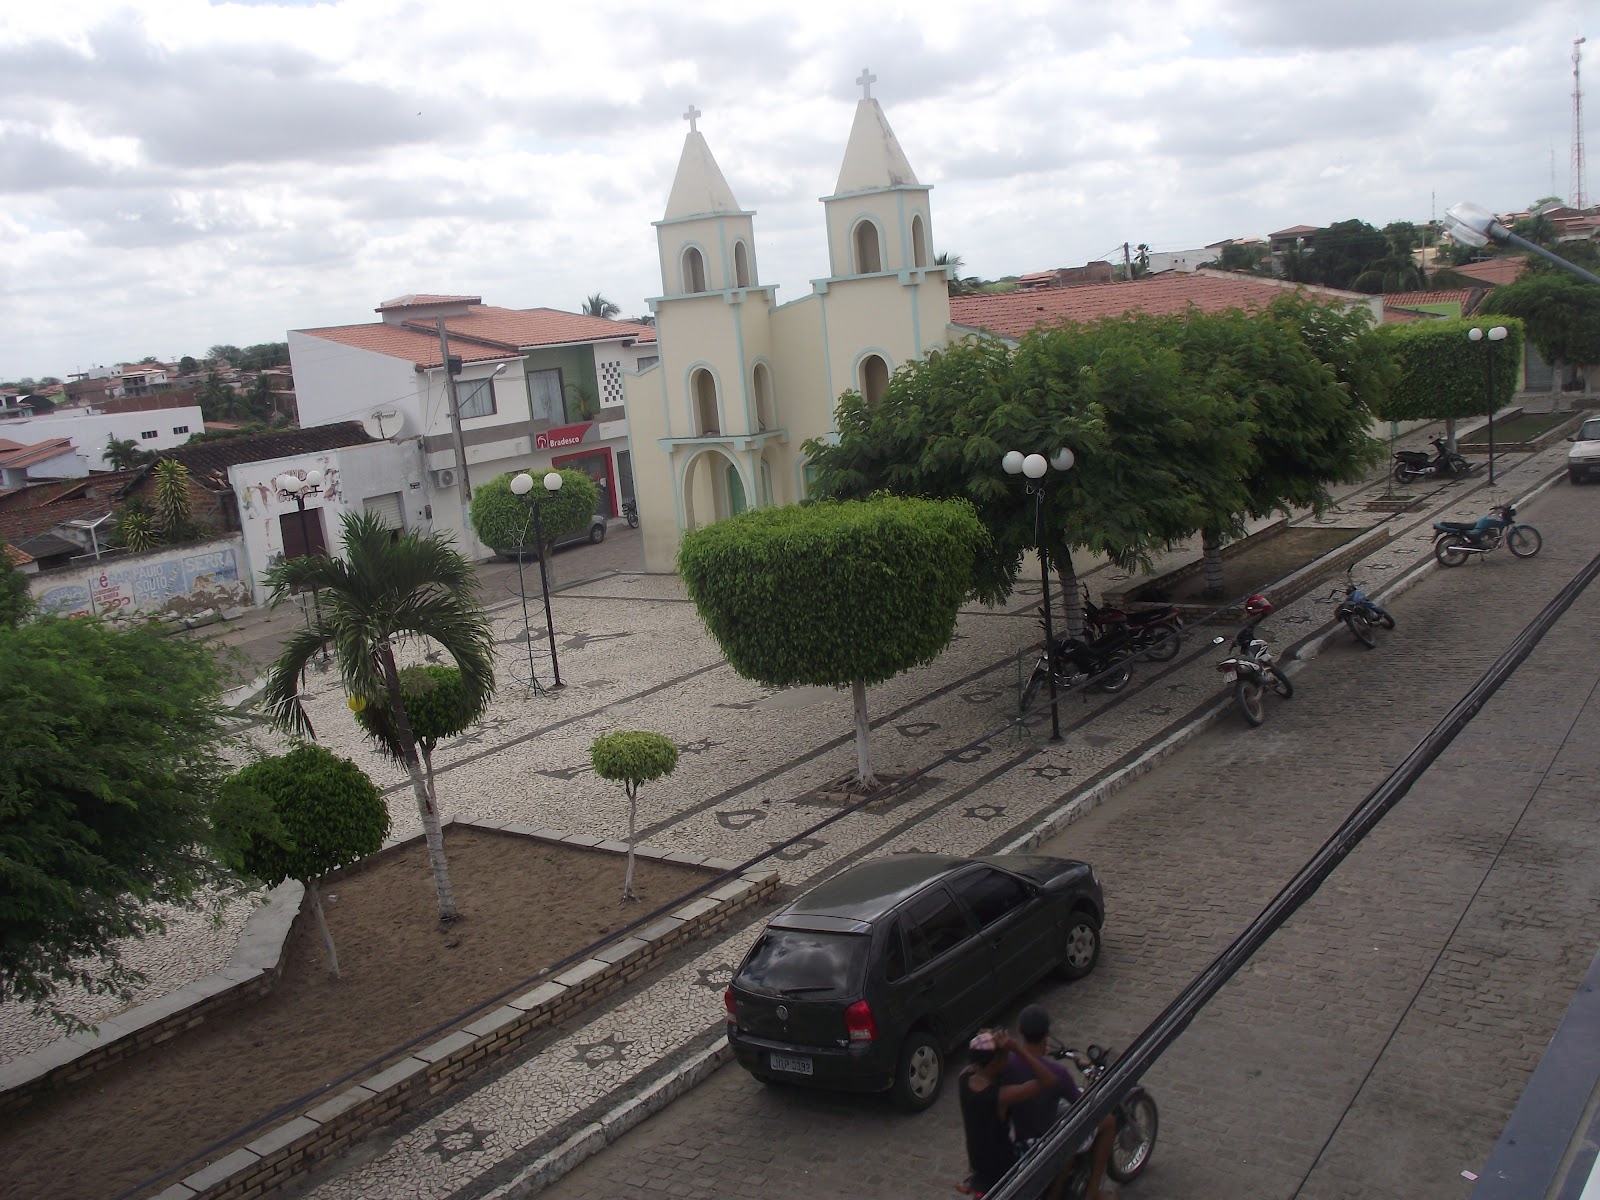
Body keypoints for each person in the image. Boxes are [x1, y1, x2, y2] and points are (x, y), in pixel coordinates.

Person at [999, 1004, 1117, 1200]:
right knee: (1108, 1121)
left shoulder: (1007, 1063)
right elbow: (1082, 1105)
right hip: (1045, 1141)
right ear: (1047, 1033)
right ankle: (1093, 1191)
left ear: (1019, 1030)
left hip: (1017, 1136)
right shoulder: (1058, 1074)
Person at [957, 1028, 1062, 1197]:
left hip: (980, 1166)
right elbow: (1048, 1080)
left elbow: (977, 1060)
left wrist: (986, 1038)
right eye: (1006, 1056)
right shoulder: (1002, 1096)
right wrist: (1017, 1049)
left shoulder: (964, 1079)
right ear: (995, 1062)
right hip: (1003, 1170)